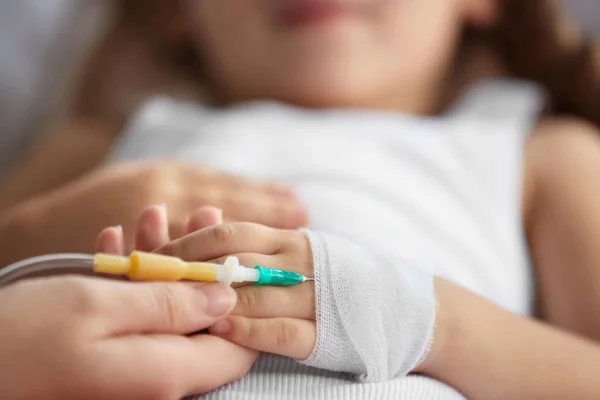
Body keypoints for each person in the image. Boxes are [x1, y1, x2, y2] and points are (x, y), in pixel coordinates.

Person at [5, 0, 600, 399]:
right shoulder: (104, 144)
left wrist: (421, 320)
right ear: (177, 10)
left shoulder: (536, 155)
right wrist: (43, 231)